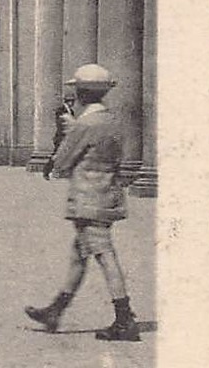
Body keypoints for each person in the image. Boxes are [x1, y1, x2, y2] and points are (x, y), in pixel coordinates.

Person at [25, 64, 141, 341]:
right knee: (79, 255)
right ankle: (55, 310)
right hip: (107, 194)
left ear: (80, 93)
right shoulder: (112, 120)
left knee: (104, 255)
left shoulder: (85, 125)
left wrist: (70, 132)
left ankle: (124, 319)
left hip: (88, 199)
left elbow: (62, 164)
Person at [41, 92, 79, 180]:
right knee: (57, 155)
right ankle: (46, 171)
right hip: (61, 137)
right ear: (67, 101)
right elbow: (60, 124)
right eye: (71, 101)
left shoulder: (71, 111)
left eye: (73, 101)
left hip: (67, 137)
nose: (72, 103)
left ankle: (63, 172)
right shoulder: (60, 110)